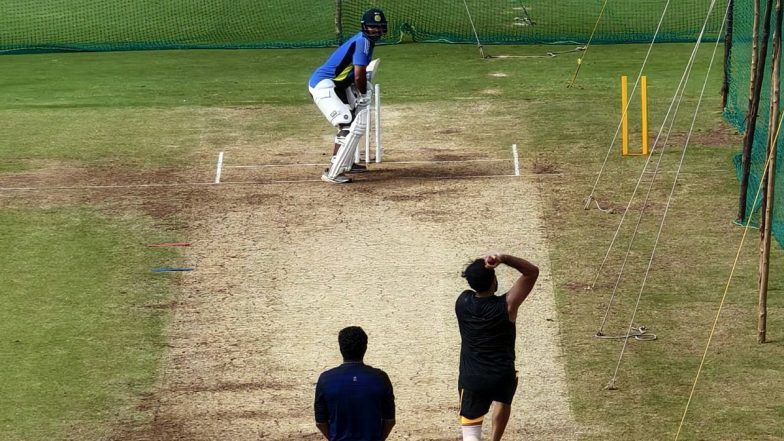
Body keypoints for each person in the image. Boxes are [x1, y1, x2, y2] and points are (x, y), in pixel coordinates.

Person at [455, 253, 540, 441]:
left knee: (471, 434)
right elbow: (532, 272)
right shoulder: (507, 305)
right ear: (494, 280)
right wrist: (503, 259)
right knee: (503, 401)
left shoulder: (462, 302)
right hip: (501, 375)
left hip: (472, 378)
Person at [308, 8, 388, 184]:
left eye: (379, 27)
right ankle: (333, 172)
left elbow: (355, 73)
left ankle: (347, 163)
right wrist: (364, 92)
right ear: (364, 27)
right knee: (346, 123)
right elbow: (359, 74)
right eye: (372, 27)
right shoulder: (363, 42)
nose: (376, 31)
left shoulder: (366, 42)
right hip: (324, 85)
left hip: (338, 85)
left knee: (352, 122)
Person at [314, 326, 396, 441]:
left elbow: (320, 422)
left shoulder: (325, 379)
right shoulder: (380, 378)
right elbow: (389, 420)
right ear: (365, 347)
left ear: (340, 348)